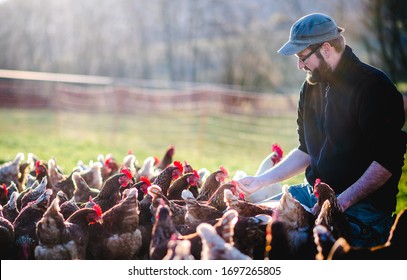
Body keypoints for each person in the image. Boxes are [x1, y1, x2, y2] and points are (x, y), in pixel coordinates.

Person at [236, 13, 406, 248]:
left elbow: (387, 162)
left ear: (326, 49)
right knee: (249, 226)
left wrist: (338, 203)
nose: (299, 65)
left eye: (302, 56)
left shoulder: (374, 88)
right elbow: (306, 150)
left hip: (362, 207)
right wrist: (260, 181)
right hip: (312, 193)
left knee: (307, 253)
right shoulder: (310, 88)